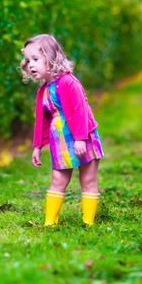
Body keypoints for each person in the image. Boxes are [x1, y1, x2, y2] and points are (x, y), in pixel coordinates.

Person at [20, 34, 104, 226]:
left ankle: (88, 222)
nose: (30, 65)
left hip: (83, 137)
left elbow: (80, 110)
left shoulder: (68, 82)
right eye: (28, 60)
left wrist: (81, 138)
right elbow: (41, 120)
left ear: (50, 57)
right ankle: (50, 222)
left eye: (35, 59)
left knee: (88, 179)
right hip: (61, 141)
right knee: (58, 179)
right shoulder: (43, 91)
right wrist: (37, 146)